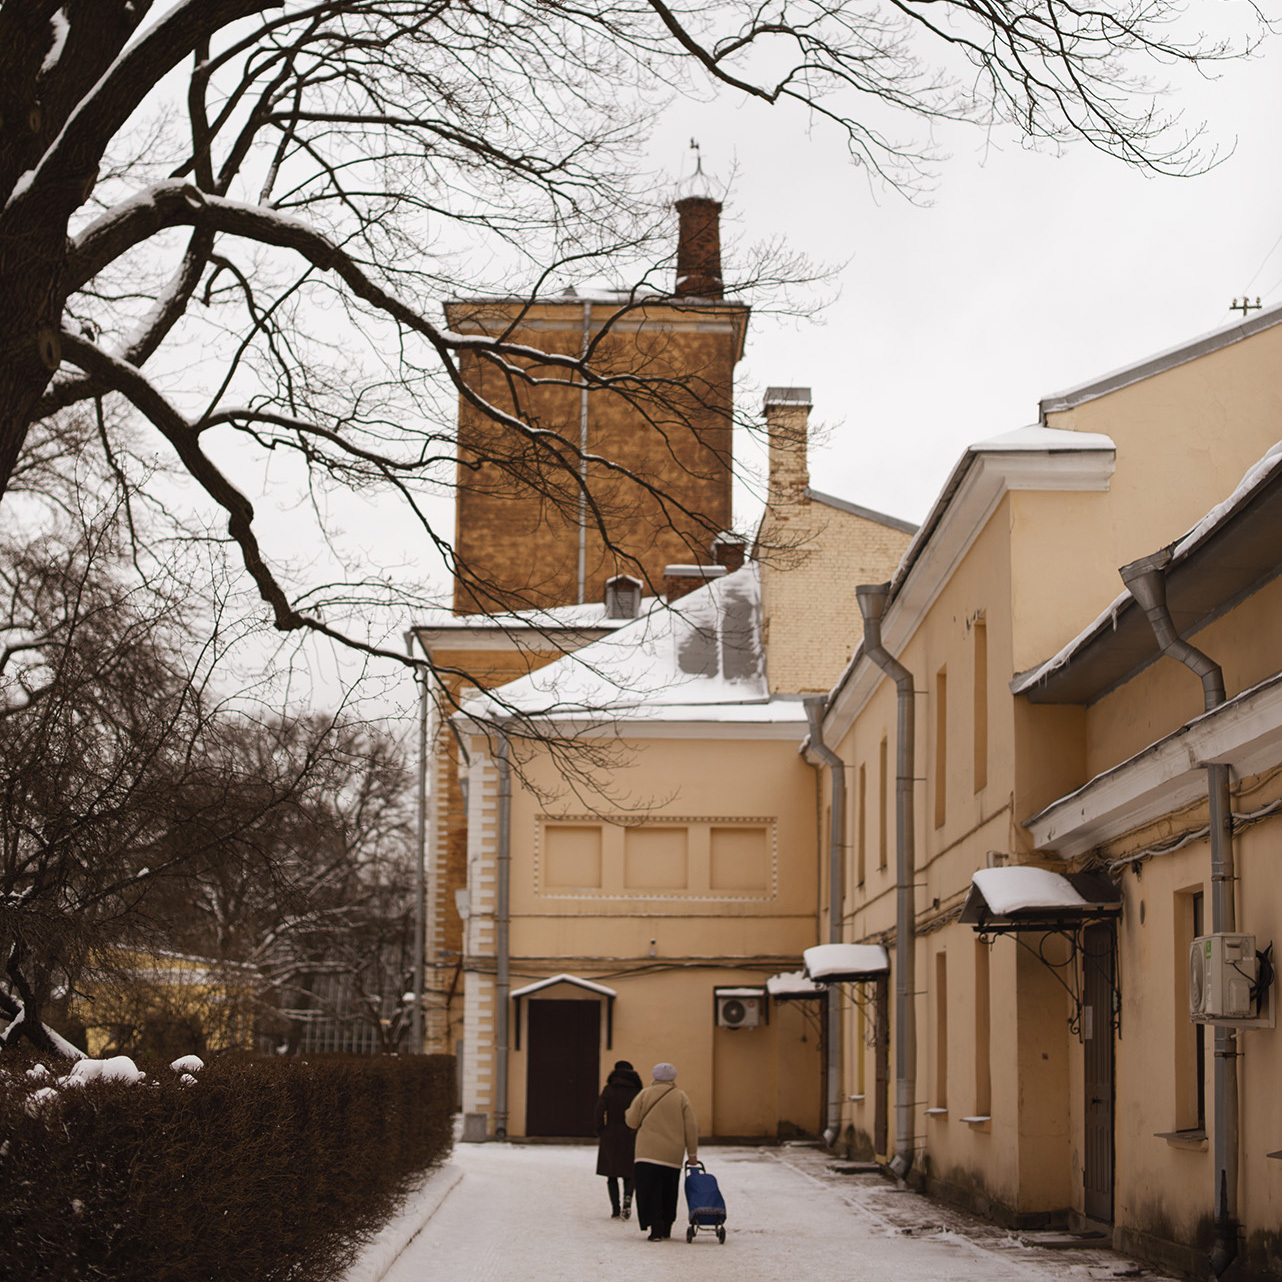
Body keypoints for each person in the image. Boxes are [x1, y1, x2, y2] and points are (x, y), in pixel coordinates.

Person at [624, 1061, 698, 1242]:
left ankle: (654, 1227)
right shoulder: (681, 1097)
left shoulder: (644, 1095)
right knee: (668, 1190)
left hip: (646, 1153)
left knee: (648, 1190)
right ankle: (666, 1226)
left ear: (654, 1076)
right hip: (672, 1155)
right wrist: (692, 1154)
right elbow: (691, 1127)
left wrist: (628, 1113)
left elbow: (631, 1122)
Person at [594, 1059, 643, 1219]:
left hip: (612, 1133)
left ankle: (615, 1208)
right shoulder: (637, 1091)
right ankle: (627, 1199)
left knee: (612, 1173)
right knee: (630, 1172)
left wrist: (601, 1130)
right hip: (631, 1133)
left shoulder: (609, 1089)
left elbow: (599, 1111)